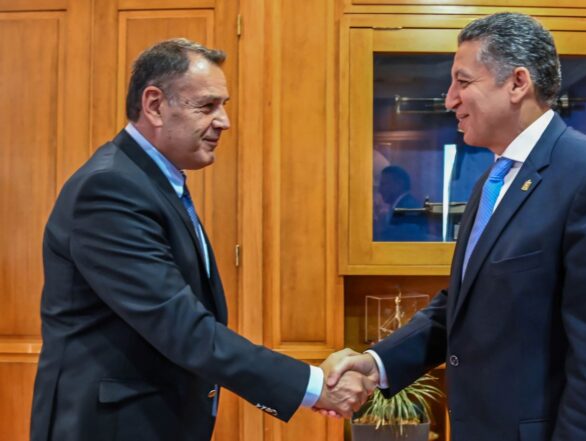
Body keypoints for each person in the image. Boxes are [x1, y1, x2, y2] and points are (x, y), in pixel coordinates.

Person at [325, 12, 586, 441]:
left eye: (462, 82)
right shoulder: (493, 180)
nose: (449, 100)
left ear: (517, 83)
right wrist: (378, 363)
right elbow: (466, 305)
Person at [30, 38, 373, 441]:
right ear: (154, 105)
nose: (224, 121)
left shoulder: (147, 181)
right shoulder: (110, 188)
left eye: (223, 105)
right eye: (207, 106)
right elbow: (180, 326)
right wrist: (312, 385)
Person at [375, 165, 428, 241]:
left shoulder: (409, 209)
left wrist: (377, 228)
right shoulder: (402, 206)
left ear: (399, 184)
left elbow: (399, 240)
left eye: (384, 184)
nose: (379, 190)